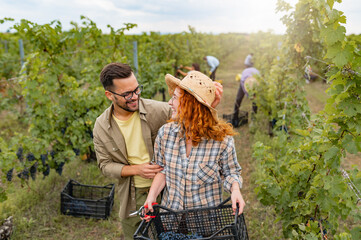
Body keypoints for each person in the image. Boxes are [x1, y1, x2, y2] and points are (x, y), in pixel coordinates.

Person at [93, 63, 223, 240]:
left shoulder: (159, 110)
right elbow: (104, 165)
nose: (134, 97)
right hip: (133, 196)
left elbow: (195, 119)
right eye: (126, 94)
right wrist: (137, 170)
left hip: (169, 193)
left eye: (137, 89)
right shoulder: (102, 126)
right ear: (109, 95)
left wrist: (209, 105)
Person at [143, 71, 245, 220]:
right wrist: (151, 197)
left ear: (191, 105)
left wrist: (235, 190)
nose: (170, 103)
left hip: (204, 221)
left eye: (175, 98)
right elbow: (162, 170)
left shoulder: (222, 141)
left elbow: (231, 173)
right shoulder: (165, 134)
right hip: (171, 217)